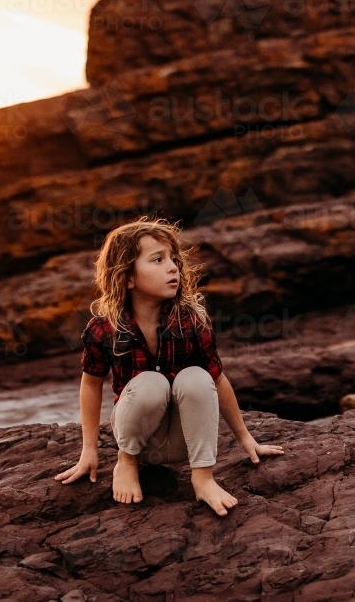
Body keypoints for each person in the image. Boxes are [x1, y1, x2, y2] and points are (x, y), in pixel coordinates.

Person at [54, 215, 285, 516]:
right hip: (139, 439)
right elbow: (91, 383)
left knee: (197, 377)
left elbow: (217, 379)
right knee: (152, 383)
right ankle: (127, 463)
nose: (173, 267)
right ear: (127, 277)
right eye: (158, 260)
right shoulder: (104, 329)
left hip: (183, 444)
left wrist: (246, 439)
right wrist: (89, 450)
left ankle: (202, 477)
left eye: (173, 259)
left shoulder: (191, 320)